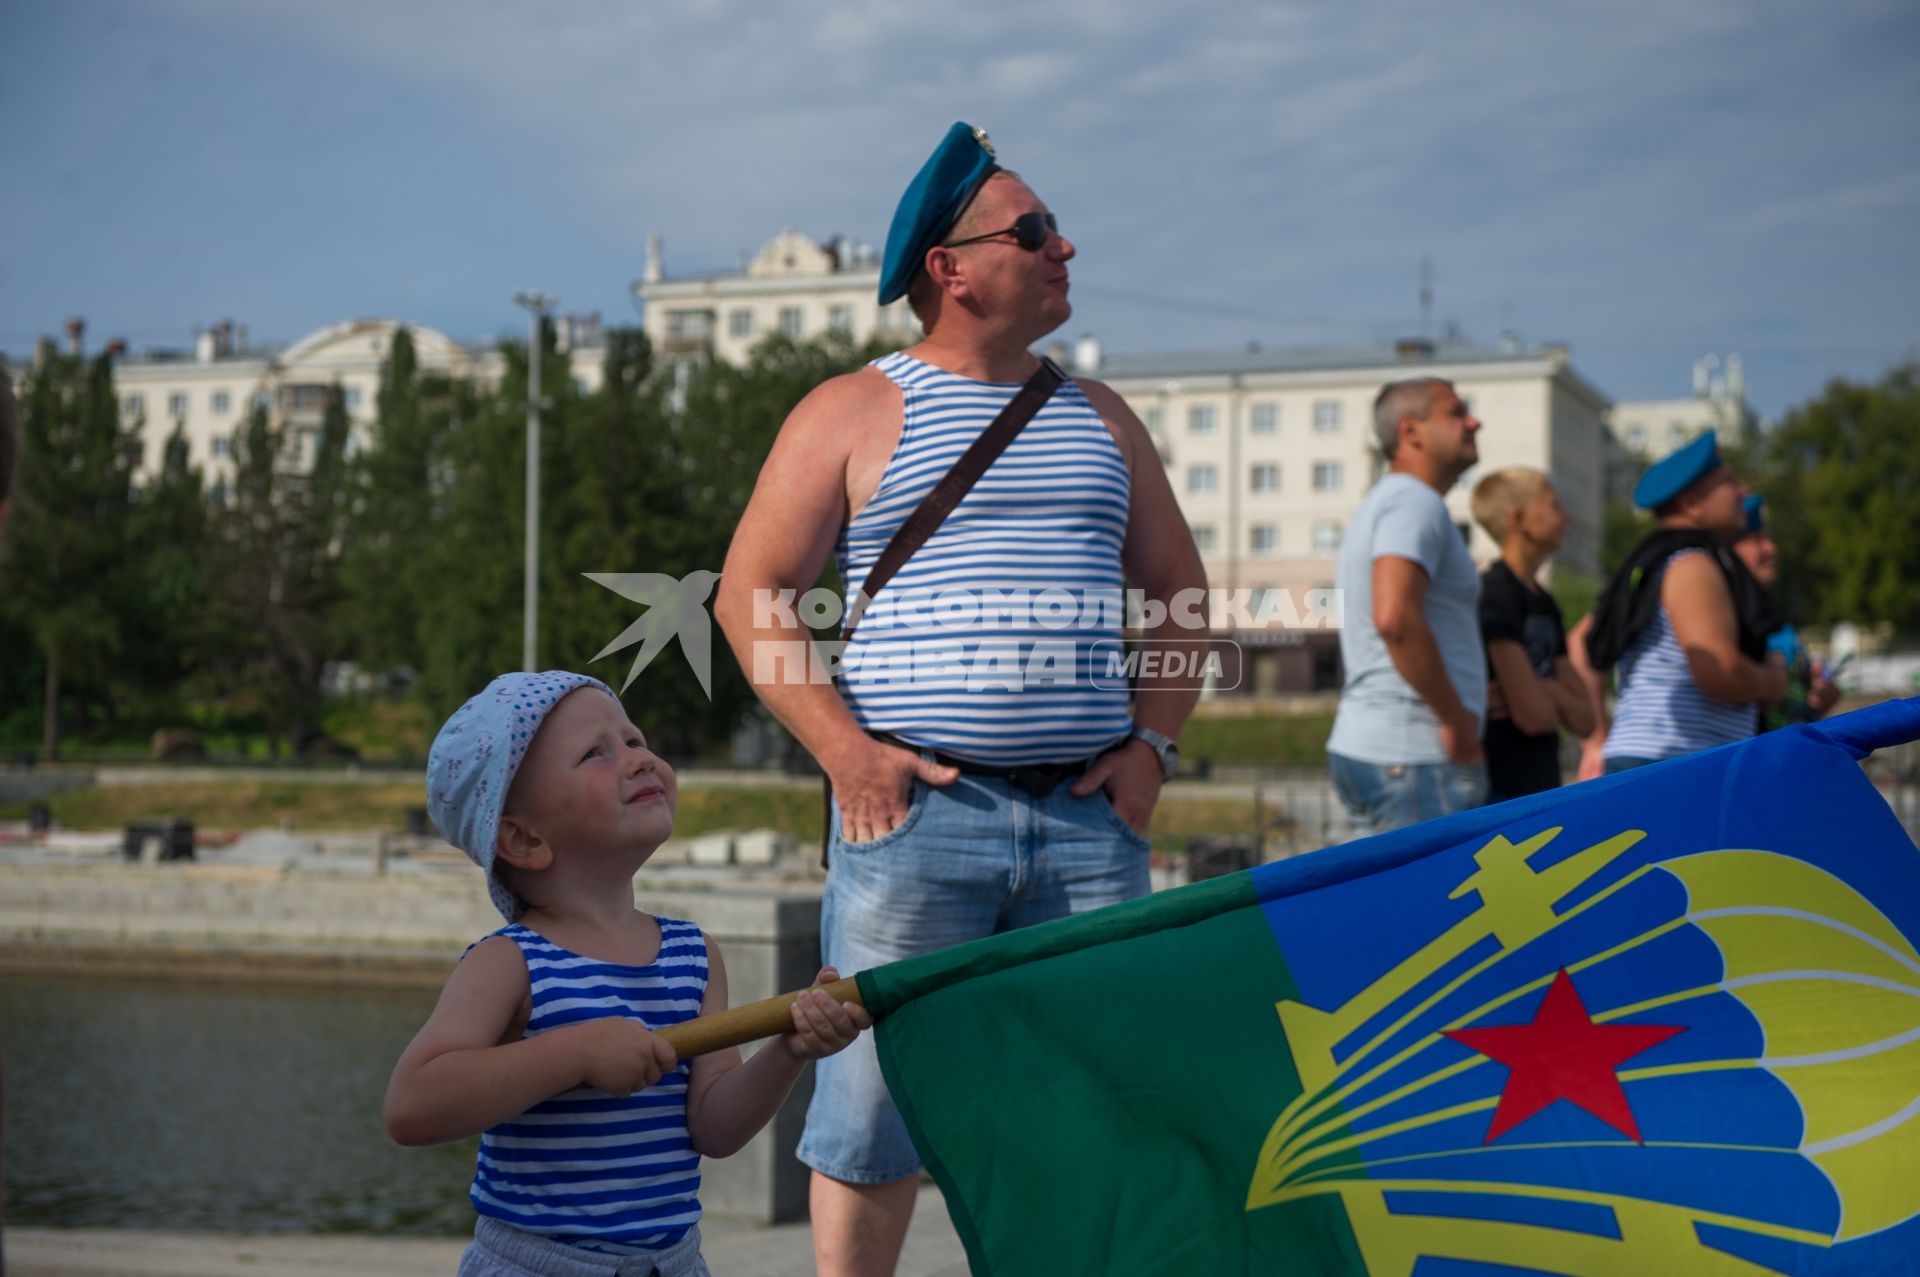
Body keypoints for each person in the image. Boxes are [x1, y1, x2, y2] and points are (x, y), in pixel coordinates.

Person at [712, 122, 1206, 1275]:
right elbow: (750, 596)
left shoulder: (1102, 417)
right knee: (872, 1111)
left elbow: (1183, 593)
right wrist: (846, 754)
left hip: (1091, 825)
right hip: (911, 816)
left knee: (1086, 1102)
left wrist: (1153, 750)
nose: (1063, 246)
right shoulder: (848, 410)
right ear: (952, 266)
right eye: (1035, 231)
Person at [385, 671, 871, 1277]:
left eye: (636, 740)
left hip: (670, 1263)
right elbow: (411, 1105)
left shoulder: (693, 954)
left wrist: (788, 1050)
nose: (639, 759)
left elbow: (714, 1128)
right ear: (522, 837)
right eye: (596, 752)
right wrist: (577, 1052)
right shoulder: (511, 961)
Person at [1569, 432, 1786, 775]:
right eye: (1729, 483)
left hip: (1654, 762)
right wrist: (1772, 680)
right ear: (1691, 505)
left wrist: (1597, 741)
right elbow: (1720, 672)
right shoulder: (1692, 564)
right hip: (1677, 764)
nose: (1741, 493)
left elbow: (1581, 644)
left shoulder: (1656, 561)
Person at [1325, 377, 1488, 835]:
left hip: (1388, 750)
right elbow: (1395, 618)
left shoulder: (1391, 501)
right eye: (1456, 413)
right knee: (1439, 907)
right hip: (1416, 754)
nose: (1474, 422)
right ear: (1411, 431)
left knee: (1385, 907)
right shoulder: (1414, 503)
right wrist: (1457, 721)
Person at [1470, 467, 1595, 801]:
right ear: (1518, 518)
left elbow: (1587, 721)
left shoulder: (1545, 602)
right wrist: (1555, 700)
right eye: (1554, 506)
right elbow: (1534, 717)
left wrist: (1541, 691)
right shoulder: (1494, 593)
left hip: (1542, 784)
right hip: (1499, 789)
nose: (1565, 516)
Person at [1732, 494, 1840, 731]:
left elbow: (1796, 708)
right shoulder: (1721, 621)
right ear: (1729, 549)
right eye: (1757, 540)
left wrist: (1819, 700)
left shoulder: (1777, 624)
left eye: (1768, 539)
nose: (1771, 549)